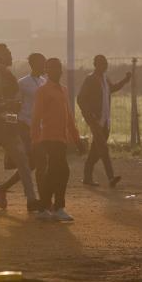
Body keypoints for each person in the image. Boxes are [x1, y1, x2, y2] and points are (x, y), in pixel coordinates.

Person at [0, 43, 41, 213]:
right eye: (7, 53)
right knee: (21, 164)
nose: (11, 55)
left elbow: (11, 105)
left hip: (4, 126)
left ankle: (31, 199)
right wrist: (10, 110)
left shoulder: (6, 75)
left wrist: (11, 118)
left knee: (23, 163)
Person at [31, 58, 82, 222]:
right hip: (48, 138)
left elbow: (69, 117)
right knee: (61, 171)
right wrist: (35, 140)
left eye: (58, 68)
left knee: (55, 172)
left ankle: (45, 207)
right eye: (52, 69)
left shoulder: (64, 90)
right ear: (47, 71)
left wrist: (76, 138)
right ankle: (57, 207)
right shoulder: (43, 91)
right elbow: (36, 117)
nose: (57, 71)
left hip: (61, 138)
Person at [0, 53, 47, 208]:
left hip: (39, 128)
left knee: (31, 164)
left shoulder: (44, 82)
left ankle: (2, 188)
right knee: (34, 162)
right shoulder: (23, 83)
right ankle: (36, 200)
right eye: (41, 63)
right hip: (24, 126)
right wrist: (13, 125)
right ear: (33, 64)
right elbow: (15, 105)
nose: (44, 66)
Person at [77, 55, 131, 188]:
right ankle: (111, 177)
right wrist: (90, 115)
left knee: (96, 150)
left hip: (105, 120)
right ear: (96, 65)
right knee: (103, 148)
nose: (105, 66)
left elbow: (112, 89)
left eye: (106, 63)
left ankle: (87, 175)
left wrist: (125, 80)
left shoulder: (105, 79)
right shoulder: (90, 79)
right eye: (102, 64)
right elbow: (80, 99)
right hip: (95, 120)